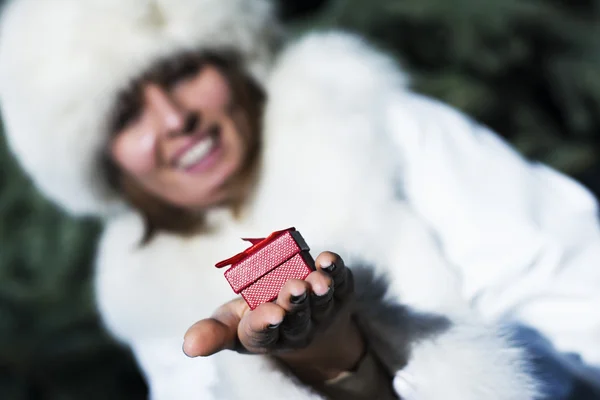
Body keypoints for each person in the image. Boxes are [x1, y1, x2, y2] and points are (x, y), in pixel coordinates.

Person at [0, 0, 597, 398]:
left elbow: (571, 284)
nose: (175, 118)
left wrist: (379, 351)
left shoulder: (371, 122)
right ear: (102, 158)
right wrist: (322, 370)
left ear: (230, 58)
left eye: (181, 70)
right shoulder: (145, 293)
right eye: (128, 113)